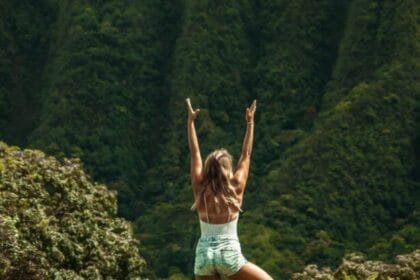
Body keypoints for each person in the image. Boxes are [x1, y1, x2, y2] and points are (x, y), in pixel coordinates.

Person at [186, 98, 273, 280]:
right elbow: (246, 154)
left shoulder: (200, 189)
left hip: (203, 257)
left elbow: (195, 153)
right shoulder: (236, 188)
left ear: (208, 169)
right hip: (229, 255)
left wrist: (191, 122)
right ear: (229, 169)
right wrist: (250, 123)